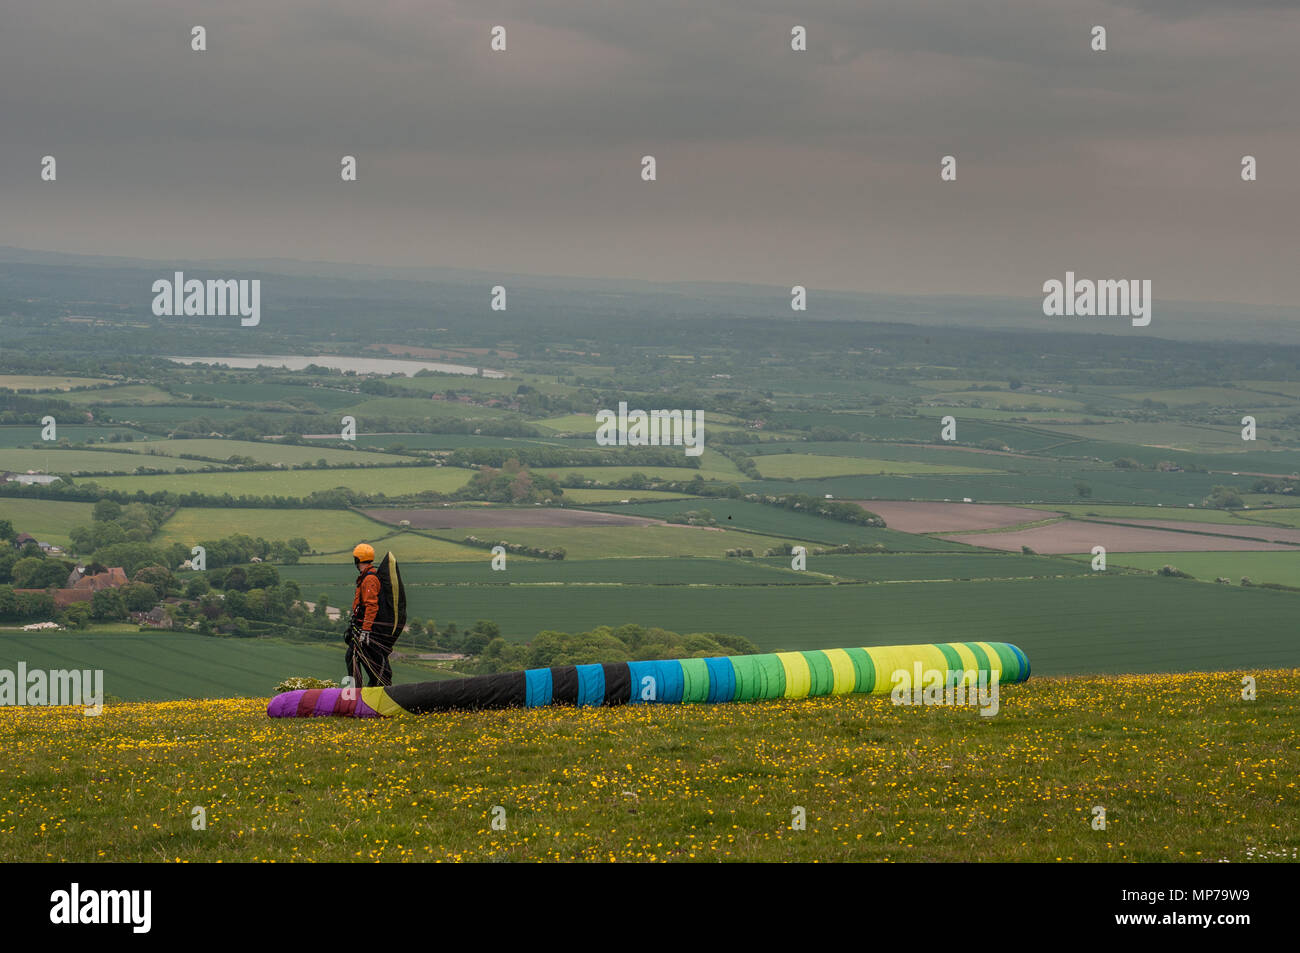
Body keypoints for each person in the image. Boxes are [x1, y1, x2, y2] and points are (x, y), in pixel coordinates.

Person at [345, 543, 393, 687]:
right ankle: (359, 690)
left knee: (358, 659)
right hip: (362, 628)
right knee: (352, 657)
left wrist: (365, 630)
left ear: (357, 560)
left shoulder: (370, 579)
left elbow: (371, 605)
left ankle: (356, 692)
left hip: (367, 631)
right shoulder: (366, 576)